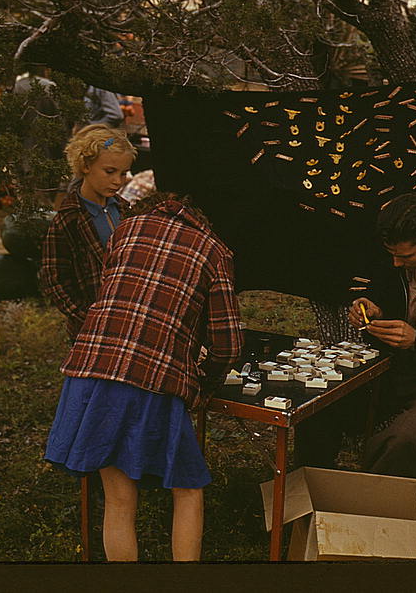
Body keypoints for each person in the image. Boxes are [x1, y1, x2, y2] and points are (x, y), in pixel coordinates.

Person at [44, 191, 243, 561]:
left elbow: (119, 294)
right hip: (152, 378)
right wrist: (205, 383)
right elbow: (228, 344)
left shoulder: (127, 228)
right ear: (199, 219)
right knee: (188, 488)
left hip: (92, 368)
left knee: (119, 499)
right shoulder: (214, 250)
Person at [296, 192, 416, 479]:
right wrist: (371, 312)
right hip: (387, 374)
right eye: (393, 255)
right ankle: (312, 497)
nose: (397, 263)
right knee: (315, 409)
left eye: (406, 256)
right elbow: (380, 306)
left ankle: (383, 511)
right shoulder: (393, 262)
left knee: (401, 439)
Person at [40, 124, 136, 342]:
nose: (118, 181)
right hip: (91, 327)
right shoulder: (69, 219)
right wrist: (86, 317)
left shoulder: (125, 210)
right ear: (85, 166)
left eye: (123, 174)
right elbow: (54, 280)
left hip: (127, 317)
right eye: (110, 172)